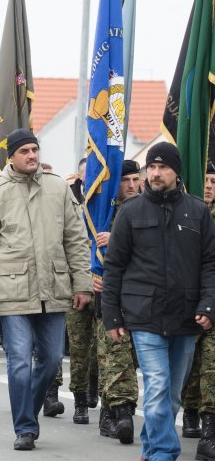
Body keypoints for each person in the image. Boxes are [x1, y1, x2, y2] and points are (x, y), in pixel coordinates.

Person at [0, 129, 91, 451]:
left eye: (35, 149)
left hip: (53, 287)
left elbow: (76, 240)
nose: (32, 156)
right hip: (12, 289)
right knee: (20, 361)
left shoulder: (58, 188)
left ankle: (28, 412)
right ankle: (24, 427)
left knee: (51, 360)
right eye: (24, 150)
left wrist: (82, 283)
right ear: (11, 156)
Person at [102, 142, 215, 461]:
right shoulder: (130, 211)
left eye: (162, 167)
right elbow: (114, 266)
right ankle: (164, 452)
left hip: (185, 316)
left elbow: (210, 263)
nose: (154, 173)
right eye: (150, 167)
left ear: (176, 172)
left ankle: (151, 446)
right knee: (158, 387)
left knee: (173, 396)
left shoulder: (198, 211)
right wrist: (111, 315)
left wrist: (208, 305)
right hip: (144, 316)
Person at [87, 159, 142, 440]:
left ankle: (112, 410)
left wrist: (119, 238)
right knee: (112, 354)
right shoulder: (100, 213)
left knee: (127, 358)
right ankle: (120, 413)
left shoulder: (146, 209)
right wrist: (90, 274)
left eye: (136, 179)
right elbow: (79, 246)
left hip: (139, 295)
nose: (132, 186)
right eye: (125, 180)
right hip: (108, 295)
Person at [184, 162, 215, 450]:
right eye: (203, 179)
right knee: (190, 365)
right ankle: (190, 412)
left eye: (213, 181)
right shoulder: (190, 214)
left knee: (211, 367)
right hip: (189, 297)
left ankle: (209, 431)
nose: (207, 185)